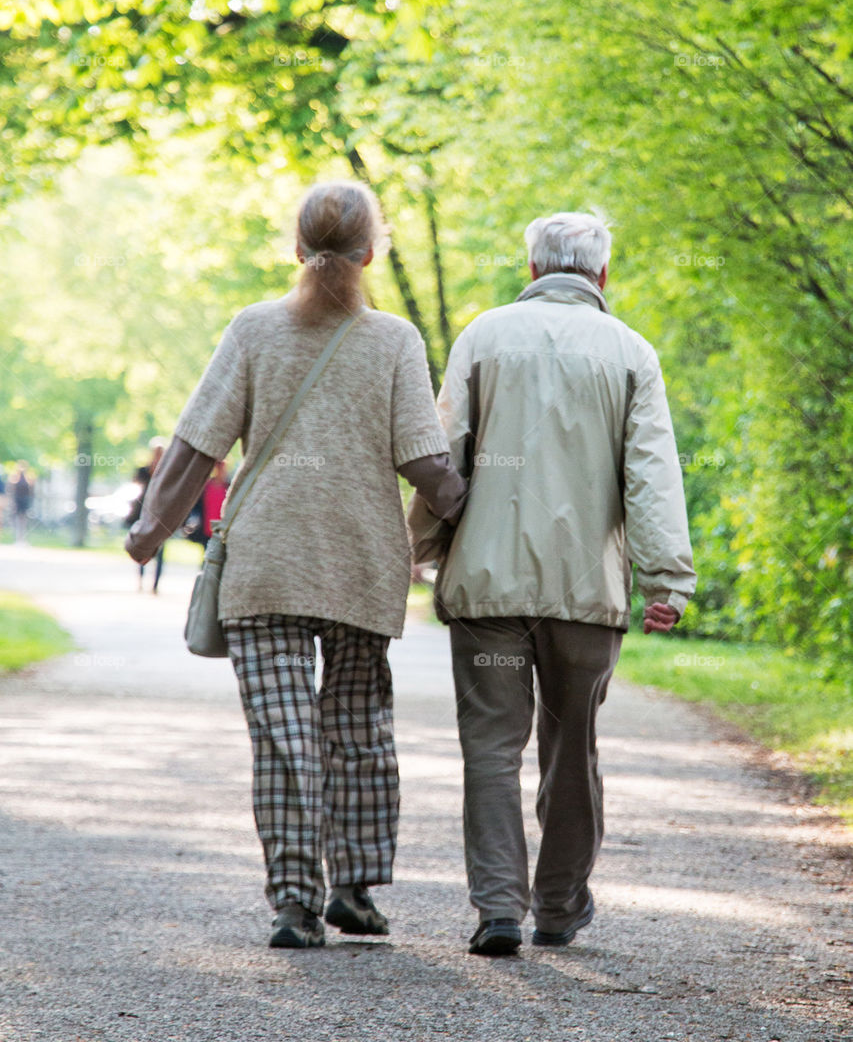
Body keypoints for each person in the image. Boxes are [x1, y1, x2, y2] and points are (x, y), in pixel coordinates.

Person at [125, 181, 467, 950]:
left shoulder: (252, 329)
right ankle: (354, 888)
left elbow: (195, 444)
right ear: (372, 252)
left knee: (283, 736)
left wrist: (149, 531)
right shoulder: (395, 340)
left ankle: (292, 903)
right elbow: (423, 458)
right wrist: (469, 506)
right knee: (357, 730)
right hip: (359, 563)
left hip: (266, 566)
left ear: (294, 248)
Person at [408, 211, 696, 957]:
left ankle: (498, 907)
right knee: (573, 748)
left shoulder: (483, 335)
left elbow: (443, 457)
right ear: (601, 276)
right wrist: (665, 578)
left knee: (490, 748)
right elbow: (652, 476)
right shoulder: (630, 351)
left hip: (488, 590)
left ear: (531, 270)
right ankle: (560, 905)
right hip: (583, 595)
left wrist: (418, 547)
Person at [125, 440, 166, 593]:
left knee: (160, 552)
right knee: (141, 547)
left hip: (160, 517)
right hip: (141, 514)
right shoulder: (142, 471)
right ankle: (140, 580)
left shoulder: (167, 472)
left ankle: (155, 585)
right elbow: (135, 490)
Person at [10, 462, 34, 544]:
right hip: (18, 500)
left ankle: (23, 538)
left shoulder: (29, 478)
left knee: (24, 519)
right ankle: (17, 538)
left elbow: (31, 490)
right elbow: (12, 490)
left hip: (25, 500)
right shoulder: (15, 478)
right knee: (17, 519)